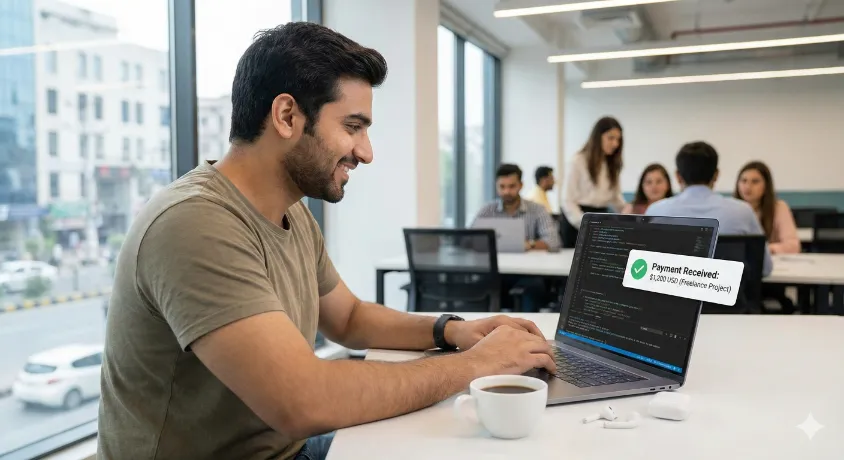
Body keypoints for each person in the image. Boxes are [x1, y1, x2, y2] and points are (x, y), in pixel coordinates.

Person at [97, 22, 555, 460]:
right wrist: (476, 365)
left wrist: (454, 331)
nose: (366, 152)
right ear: (286, 115)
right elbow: (304, 401)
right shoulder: (194, 224)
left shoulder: (289, 210)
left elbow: (350, 318)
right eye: (353, 126)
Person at [646, 141, 772, 276]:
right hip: (728, 296)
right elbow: (765, 268)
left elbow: (644, 269)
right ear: (716, 175)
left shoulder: (655, 212)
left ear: (678, 176)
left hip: (671, 296)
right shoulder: (742, 212)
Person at [561, 116, 625, 247]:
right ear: (598, 137)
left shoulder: (612, 165)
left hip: (600, 219)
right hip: (577, 222)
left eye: (618, 139)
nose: (615, 144)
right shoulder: (577, 161)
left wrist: (629, 212)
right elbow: (567, 200)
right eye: (611, 138)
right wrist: (585, 225)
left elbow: (615, 198)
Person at [472, 164, 561, 252]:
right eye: (502, 186)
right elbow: (468, 239)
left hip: (528, 264)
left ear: (521, 185)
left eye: (512, 186)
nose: (506, 191)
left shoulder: (537, 210)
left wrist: (530, 244)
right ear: (496, 186)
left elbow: (553, 242)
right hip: (496, 263)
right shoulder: (487, 210)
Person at [734, 161, 800, 254]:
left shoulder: (779, 207)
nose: (748, 187)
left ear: (766, 185)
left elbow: (793, 246)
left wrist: (762, 249)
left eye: (755, 182)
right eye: (743, 181)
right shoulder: (731, 209)